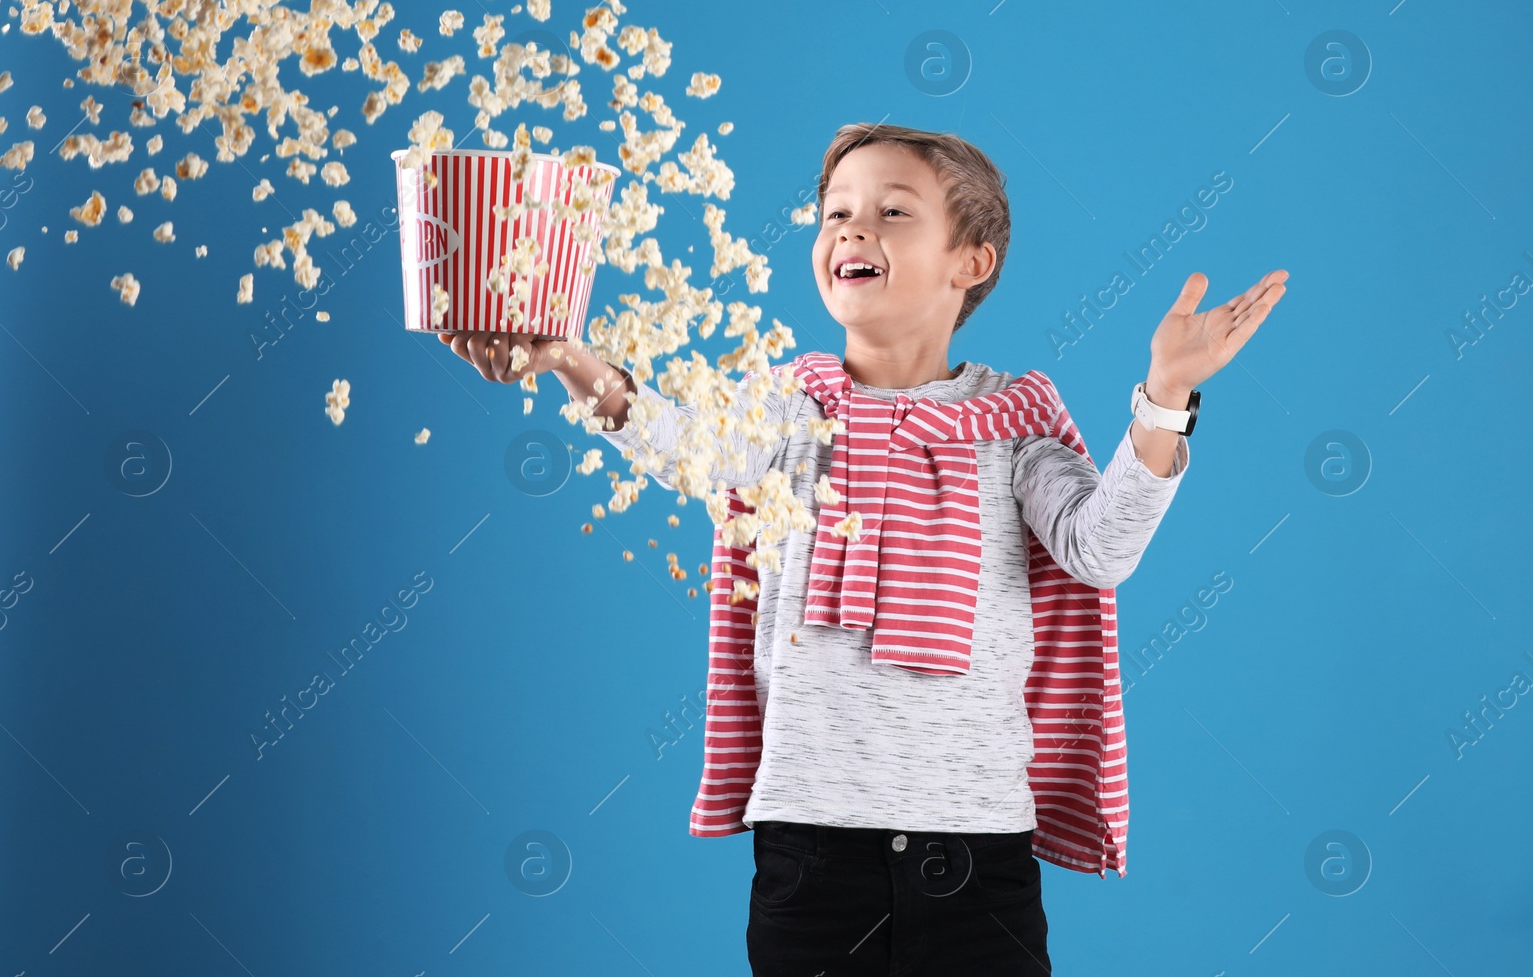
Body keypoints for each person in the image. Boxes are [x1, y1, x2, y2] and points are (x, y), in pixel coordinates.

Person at [441, 122, 1288, 976]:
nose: (852, 229)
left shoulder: (1010, 422)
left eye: (892, 211)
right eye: (835, 212)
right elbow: (692, 448)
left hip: (977, 857)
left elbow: (1098, 548)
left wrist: (1166, 395)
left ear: (972, 262)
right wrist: (570, 360)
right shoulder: (787, 410)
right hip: (812, 855)